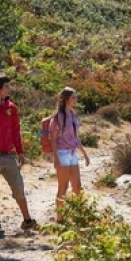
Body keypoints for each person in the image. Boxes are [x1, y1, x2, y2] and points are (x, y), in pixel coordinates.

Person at [0, 74, 38, 234]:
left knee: (18, 187)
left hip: (9, 155)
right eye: (6, 86)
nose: (9, 89)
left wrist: (20, 151)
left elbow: (16, 131)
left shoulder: (11, 108)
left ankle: (27, 220)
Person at [48, 87, 90, 222]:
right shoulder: (58, 117)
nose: (76, 100)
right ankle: (60, 218)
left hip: (72, 153)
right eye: (73, 97)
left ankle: (78, 214)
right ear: (66, 99)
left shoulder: (73, 114)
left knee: (77, 186)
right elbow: (52, 139)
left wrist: (84, 153)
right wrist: (56, 158)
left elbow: (75, 137)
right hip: (62, 153)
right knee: (63, 187)